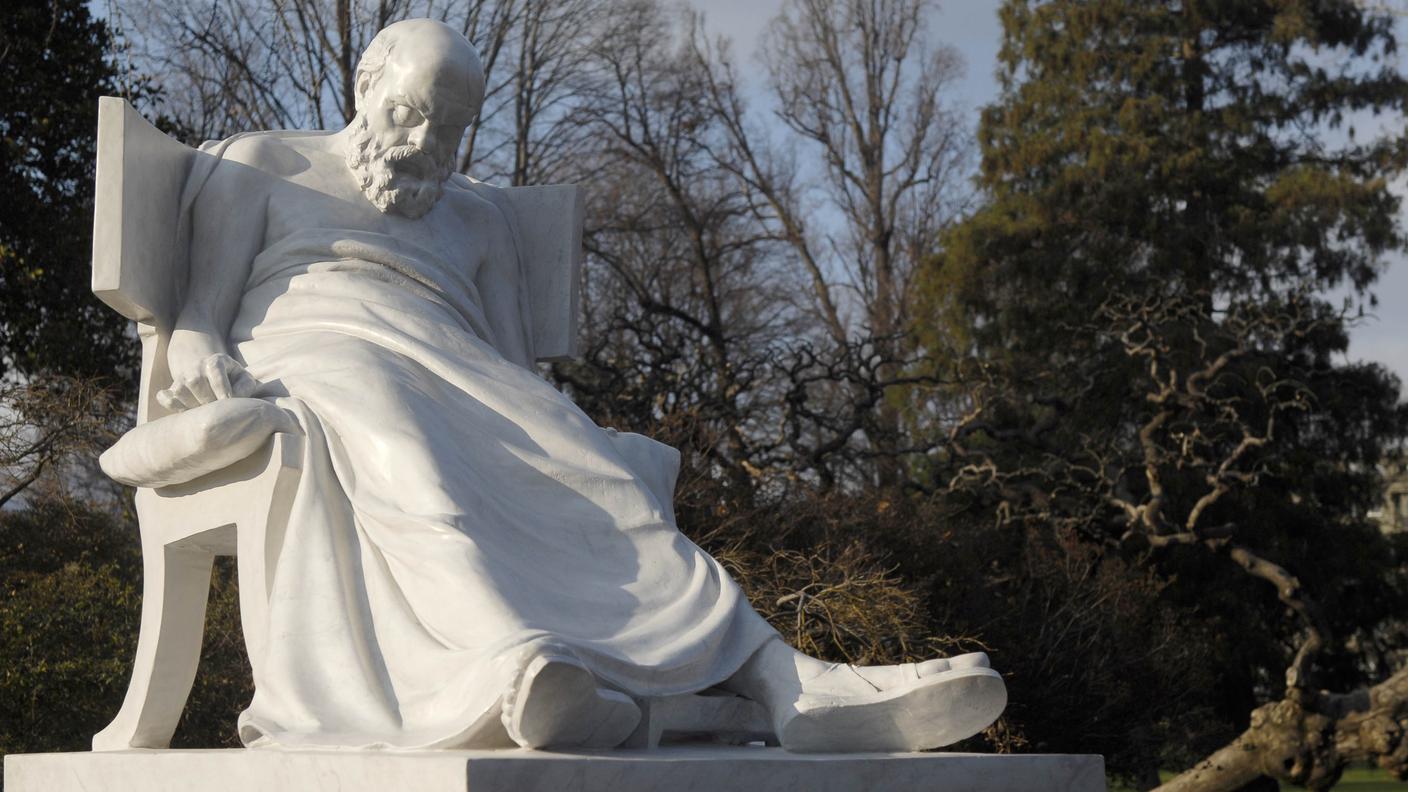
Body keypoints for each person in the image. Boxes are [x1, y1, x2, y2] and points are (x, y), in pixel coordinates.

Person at [157, 18, 1005, 753]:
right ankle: (517, 666)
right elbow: (197, 320)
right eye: (409, 112)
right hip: (321, 353)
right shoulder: (263, 166)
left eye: (451, 132)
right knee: (403, 448)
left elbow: (515, 376)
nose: (424, 147)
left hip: (463, 374)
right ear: (365, 81)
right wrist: (197, 357)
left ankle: (784, 680)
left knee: (589, 467)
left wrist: (551, 434)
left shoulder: (478, 219)